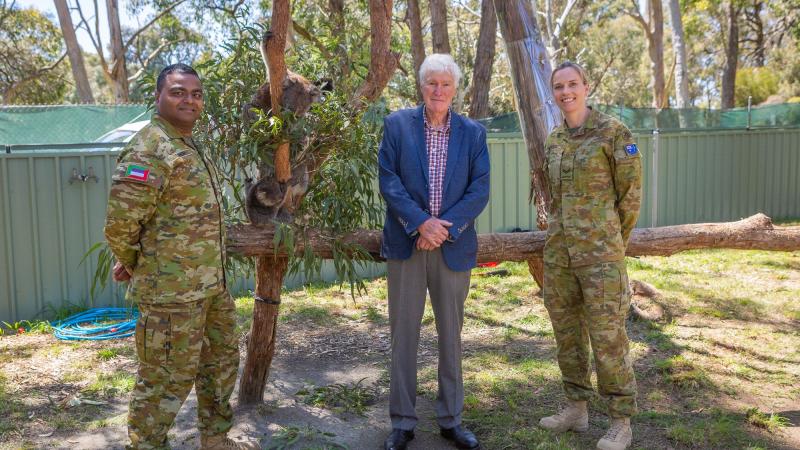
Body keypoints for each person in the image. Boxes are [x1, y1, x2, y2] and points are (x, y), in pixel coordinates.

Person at [104, 63, 257, 450]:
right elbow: (121, 225)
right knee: (164, 380)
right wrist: (141, 263)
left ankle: (215, 439)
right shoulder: (150, 147)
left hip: (210, 287)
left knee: (219, 367)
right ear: (157, 96)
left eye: (195, 93)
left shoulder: (185, 143)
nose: (188, 99)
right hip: (171, 296)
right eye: (177, 91)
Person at [378, 53, 490, 450]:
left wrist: (443, 229)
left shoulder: (473, 134)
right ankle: (402, 423)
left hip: (452, 247)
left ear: (455, 89)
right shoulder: (395, 126)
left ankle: (451, 419)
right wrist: (420, 223)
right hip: (407, 245)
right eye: (431, 83)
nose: (438, 90)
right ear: (421, 87)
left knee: (451, 337)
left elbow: (480, 190)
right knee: (403, 336)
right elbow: (389, 181)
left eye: (445, 84)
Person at [537, 61, 642, 450]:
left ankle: (620, 421)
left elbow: (630, 196)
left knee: (608, 338)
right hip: (560, 256)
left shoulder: (615, 133)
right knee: (567, 334)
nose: (566, 92)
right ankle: (575, 409)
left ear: (587, 86)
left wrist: (612, 242)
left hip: (601, 258)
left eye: (573, 84)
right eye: (559, 87)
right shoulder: (555, 140)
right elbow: (554, 196)